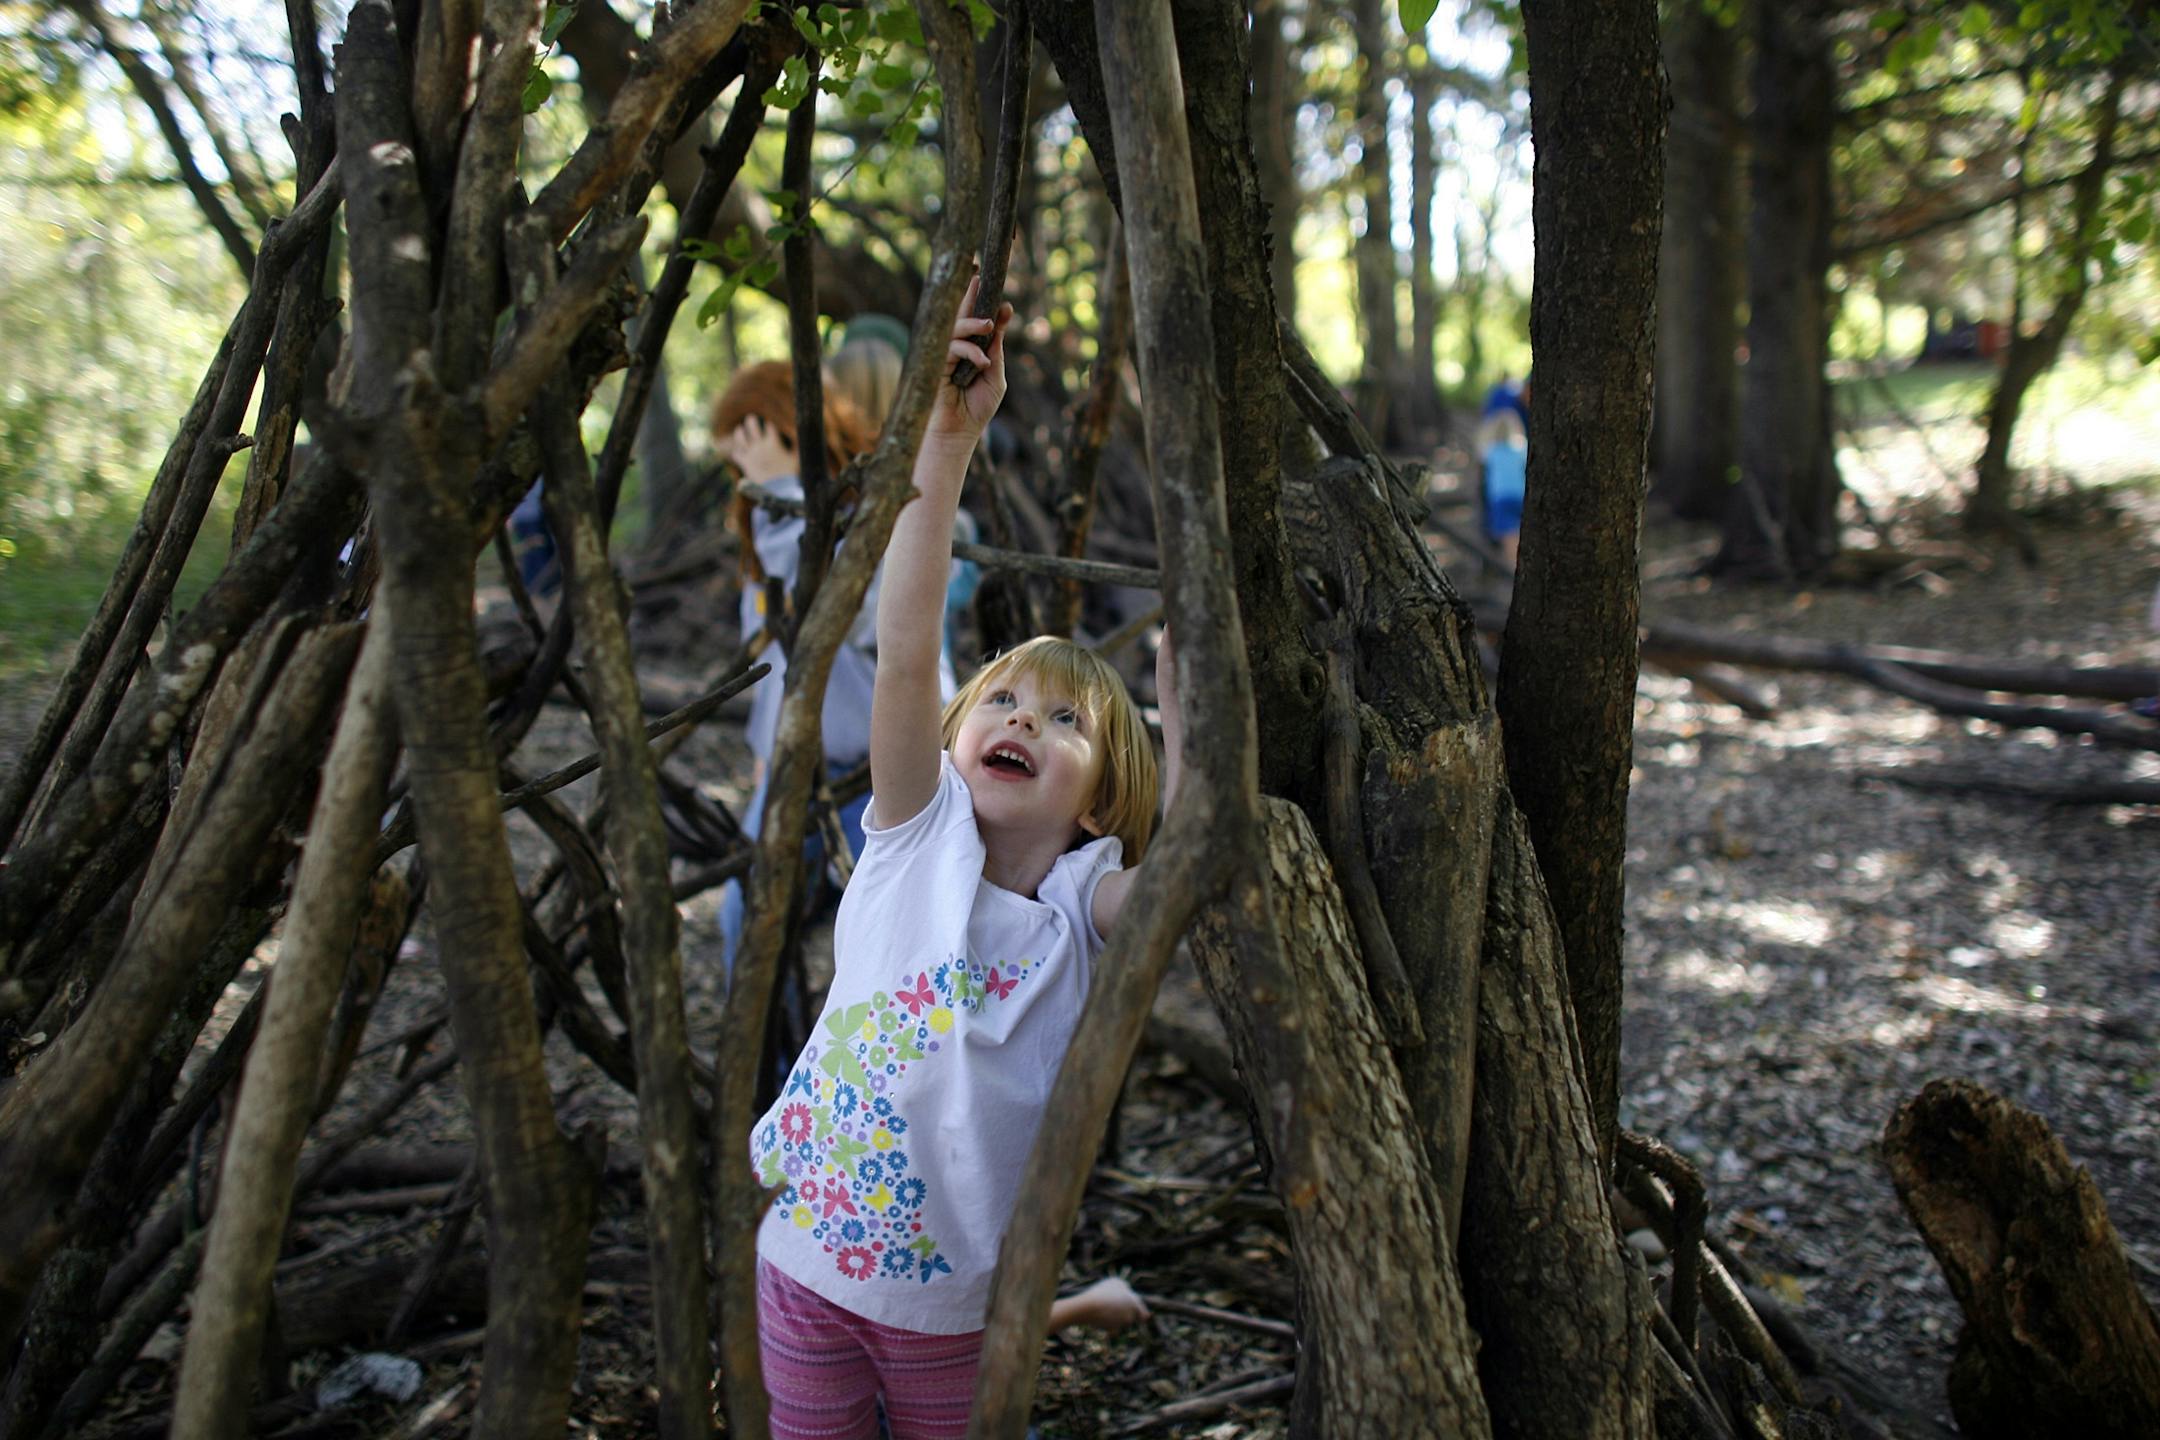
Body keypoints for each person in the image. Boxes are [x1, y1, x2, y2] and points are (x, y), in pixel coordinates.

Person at [746, 288, 1178, 1439]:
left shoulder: (1087, 902)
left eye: (1066, 722)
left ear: (1103, 807)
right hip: (805, 1270)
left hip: (957, 1310)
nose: (1024, 721)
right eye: (1005, 698)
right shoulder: (911, 832)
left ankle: (1067, 1310)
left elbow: (1183, 881)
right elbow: (905, 646)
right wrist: (946, 444)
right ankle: (1079, 1309)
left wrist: (1188, 731)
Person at [712, 361, 957, 972]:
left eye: (749, 453)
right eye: (734, 464)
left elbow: (842, 612)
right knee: (747, 919)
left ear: (786, 435)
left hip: (877, 773)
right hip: (798, 766)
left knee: (891, 943)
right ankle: (777, 1069)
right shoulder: (767, 528)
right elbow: (775, 658)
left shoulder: (869, 512)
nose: (741, 477)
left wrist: (781, 495)